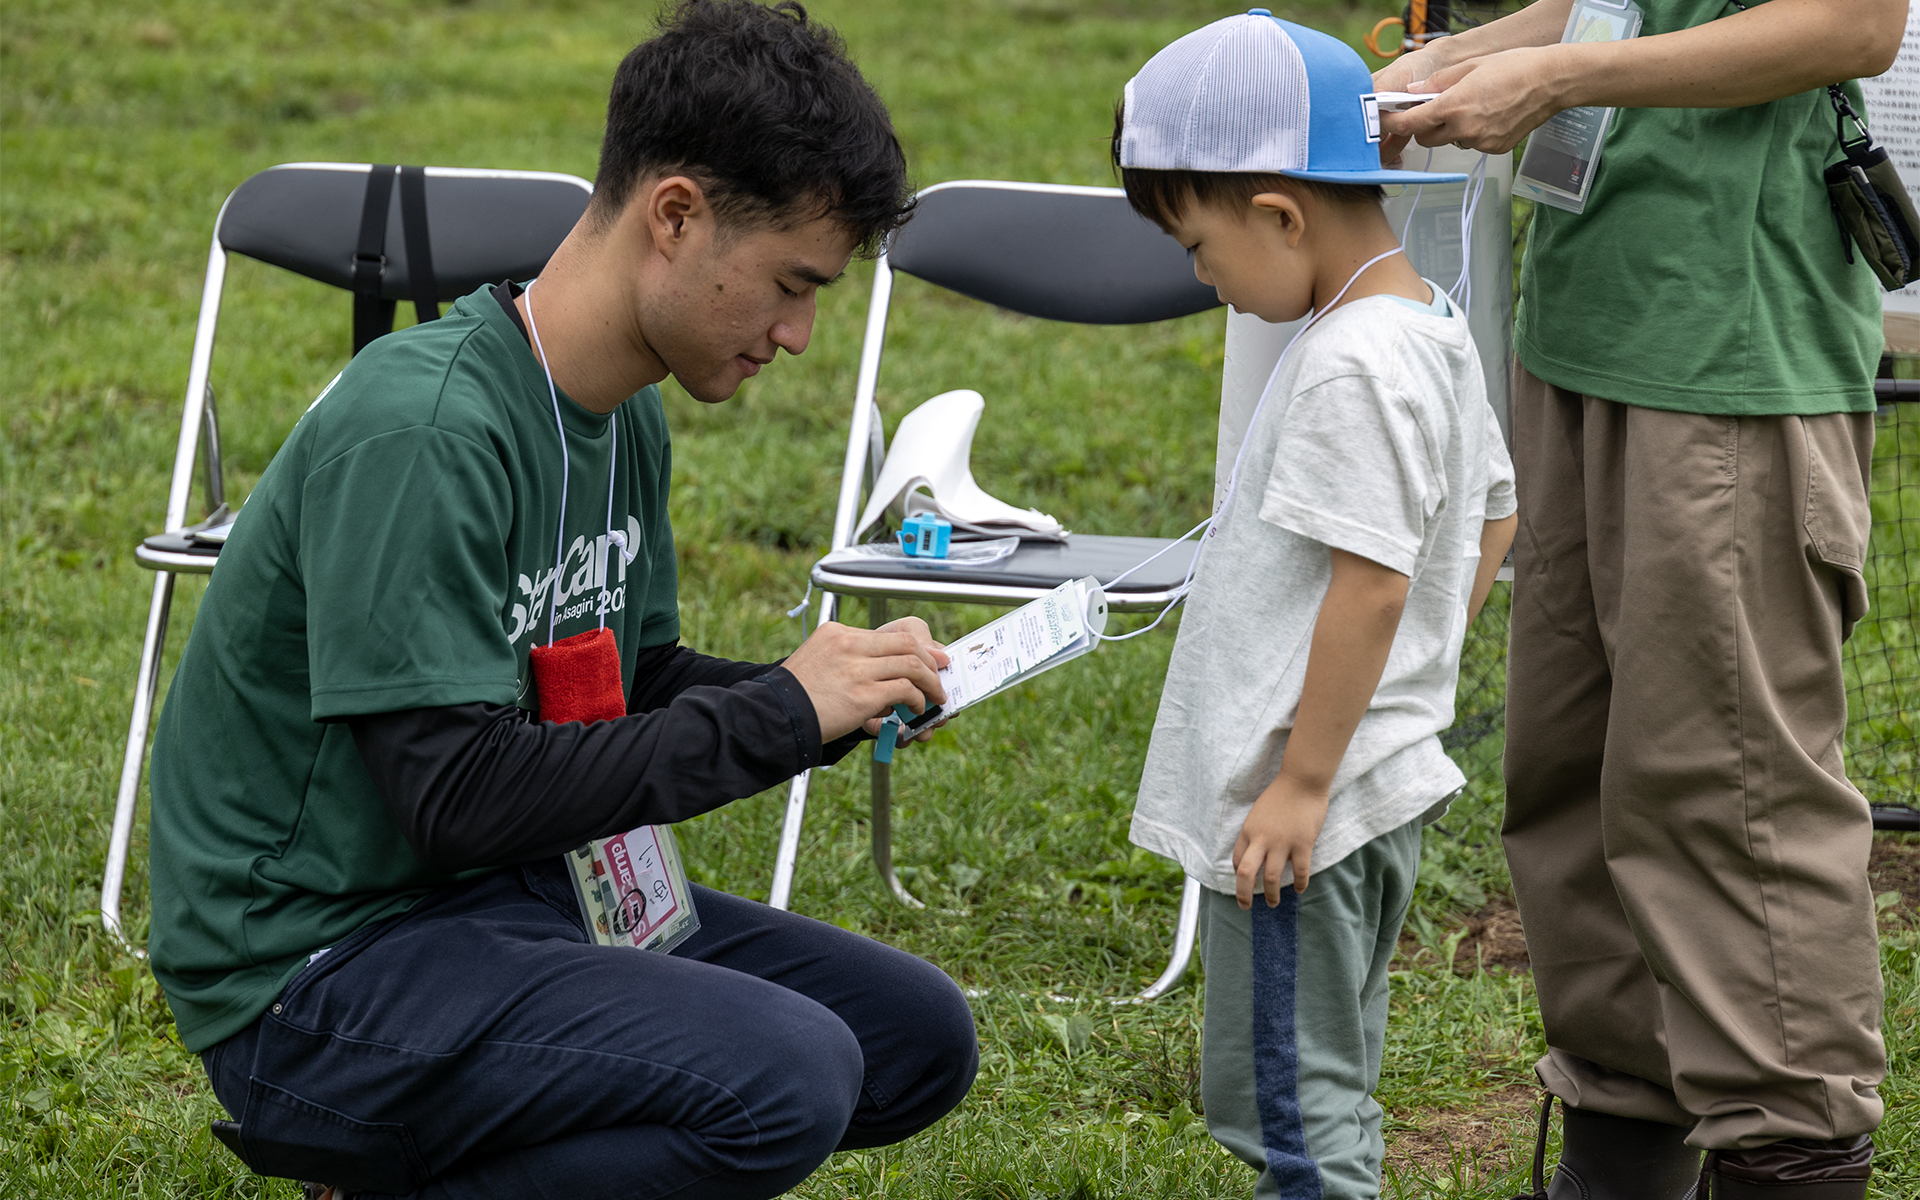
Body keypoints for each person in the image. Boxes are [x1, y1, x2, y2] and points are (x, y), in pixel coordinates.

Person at [145, 3, 978, 1196]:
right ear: (676, 215)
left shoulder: (619, 411)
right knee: (787, 1076)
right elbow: (455, 795)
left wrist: (830, 696)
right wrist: (778, 715)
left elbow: (623, 689)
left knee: (912, 1042)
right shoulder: (425, 431)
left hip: (506, 898)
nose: (798, 334)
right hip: (317, 974)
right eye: (792, 284)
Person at [1372, 2, 1905, 1197]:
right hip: (1576, 336)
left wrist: (1557, 82)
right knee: (1569, 785)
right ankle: (1620, 1145)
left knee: (1726, 804)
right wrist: (1456, 62)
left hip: (1724, 352)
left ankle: (1788, 1144)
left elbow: (1857, 23)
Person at [1115, 13, 1519, 1199]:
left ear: (1278, 214)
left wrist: (1298, 779)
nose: (1205, 280)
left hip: (1309, 813)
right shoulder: (1429, 327)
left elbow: (1373, 580)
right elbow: (1493, 512)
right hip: (1377, 783)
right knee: (1331, 1075)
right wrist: (1413, 674)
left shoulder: (1350, 364)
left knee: (1286, 1114)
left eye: (1198, 247)